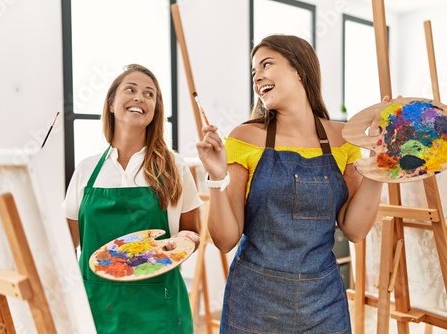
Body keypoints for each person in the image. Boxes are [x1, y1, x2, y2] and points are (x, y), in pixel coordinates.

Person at [196, 34, 384, 333]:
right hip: (254, 302)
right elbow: (226, 239)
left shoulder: (342, 138)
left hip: (323, 302)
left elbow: (355, 229)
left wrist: (379, 162)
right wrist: (217, 178)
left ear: (298, 68)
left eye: (266, 64)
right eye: (253, 72)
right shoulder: (245, 138)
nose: (257, 77)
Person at [64, 63, 202, 334]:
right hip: (97, 307)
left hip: (159, 310)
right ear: (112, 103)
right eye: (131, 89)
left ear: (155, 111)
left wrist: (184, 241)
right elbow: (67, 243)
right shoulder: (87, 170)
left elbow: (192, 233)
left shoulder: (174, 166)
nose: (140, 97)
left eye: (150, 94)